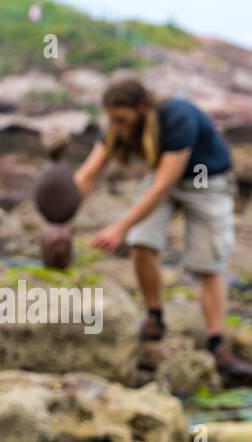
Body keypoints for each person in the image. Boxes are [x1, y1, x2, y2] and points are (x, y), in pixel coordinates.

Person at [74, 78, 252, 385]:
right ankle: (155, 317)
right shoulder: (117, 128)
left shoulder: (177, 117)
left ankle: (217, 343)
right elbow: (89, 174)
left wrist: (119, 227)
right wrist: (60, 212)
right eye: (111, 118)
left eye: (122, 118)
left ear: (142, 108)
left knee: (208, 265)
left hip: (204, 180)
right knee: (141, 242)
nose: (116, 126)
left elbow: (161, 188)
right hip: (164, 180)